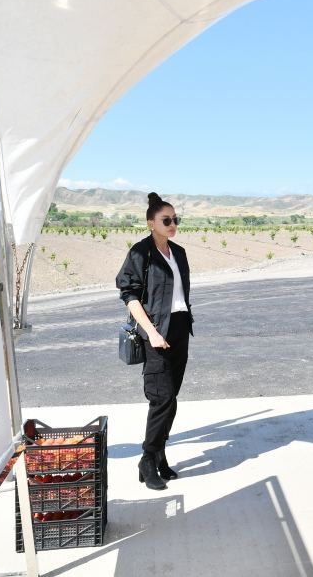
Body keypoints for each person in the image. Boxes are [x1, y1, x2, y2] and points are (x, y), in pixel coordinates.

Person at [116, 192, 194, 490]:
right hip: (155, 332)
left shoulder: (179, 252)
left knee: (171, 398)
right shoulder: (140, 253)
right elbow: (130, 296)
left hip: (179, 328)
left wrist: (177, 326)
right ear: (151, 223)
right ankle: (147, 459)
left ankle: (159, 455)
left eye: (175, 219)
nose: (173, 224)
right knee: (161, 398)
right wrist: (151, 332)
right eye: (166, 220)